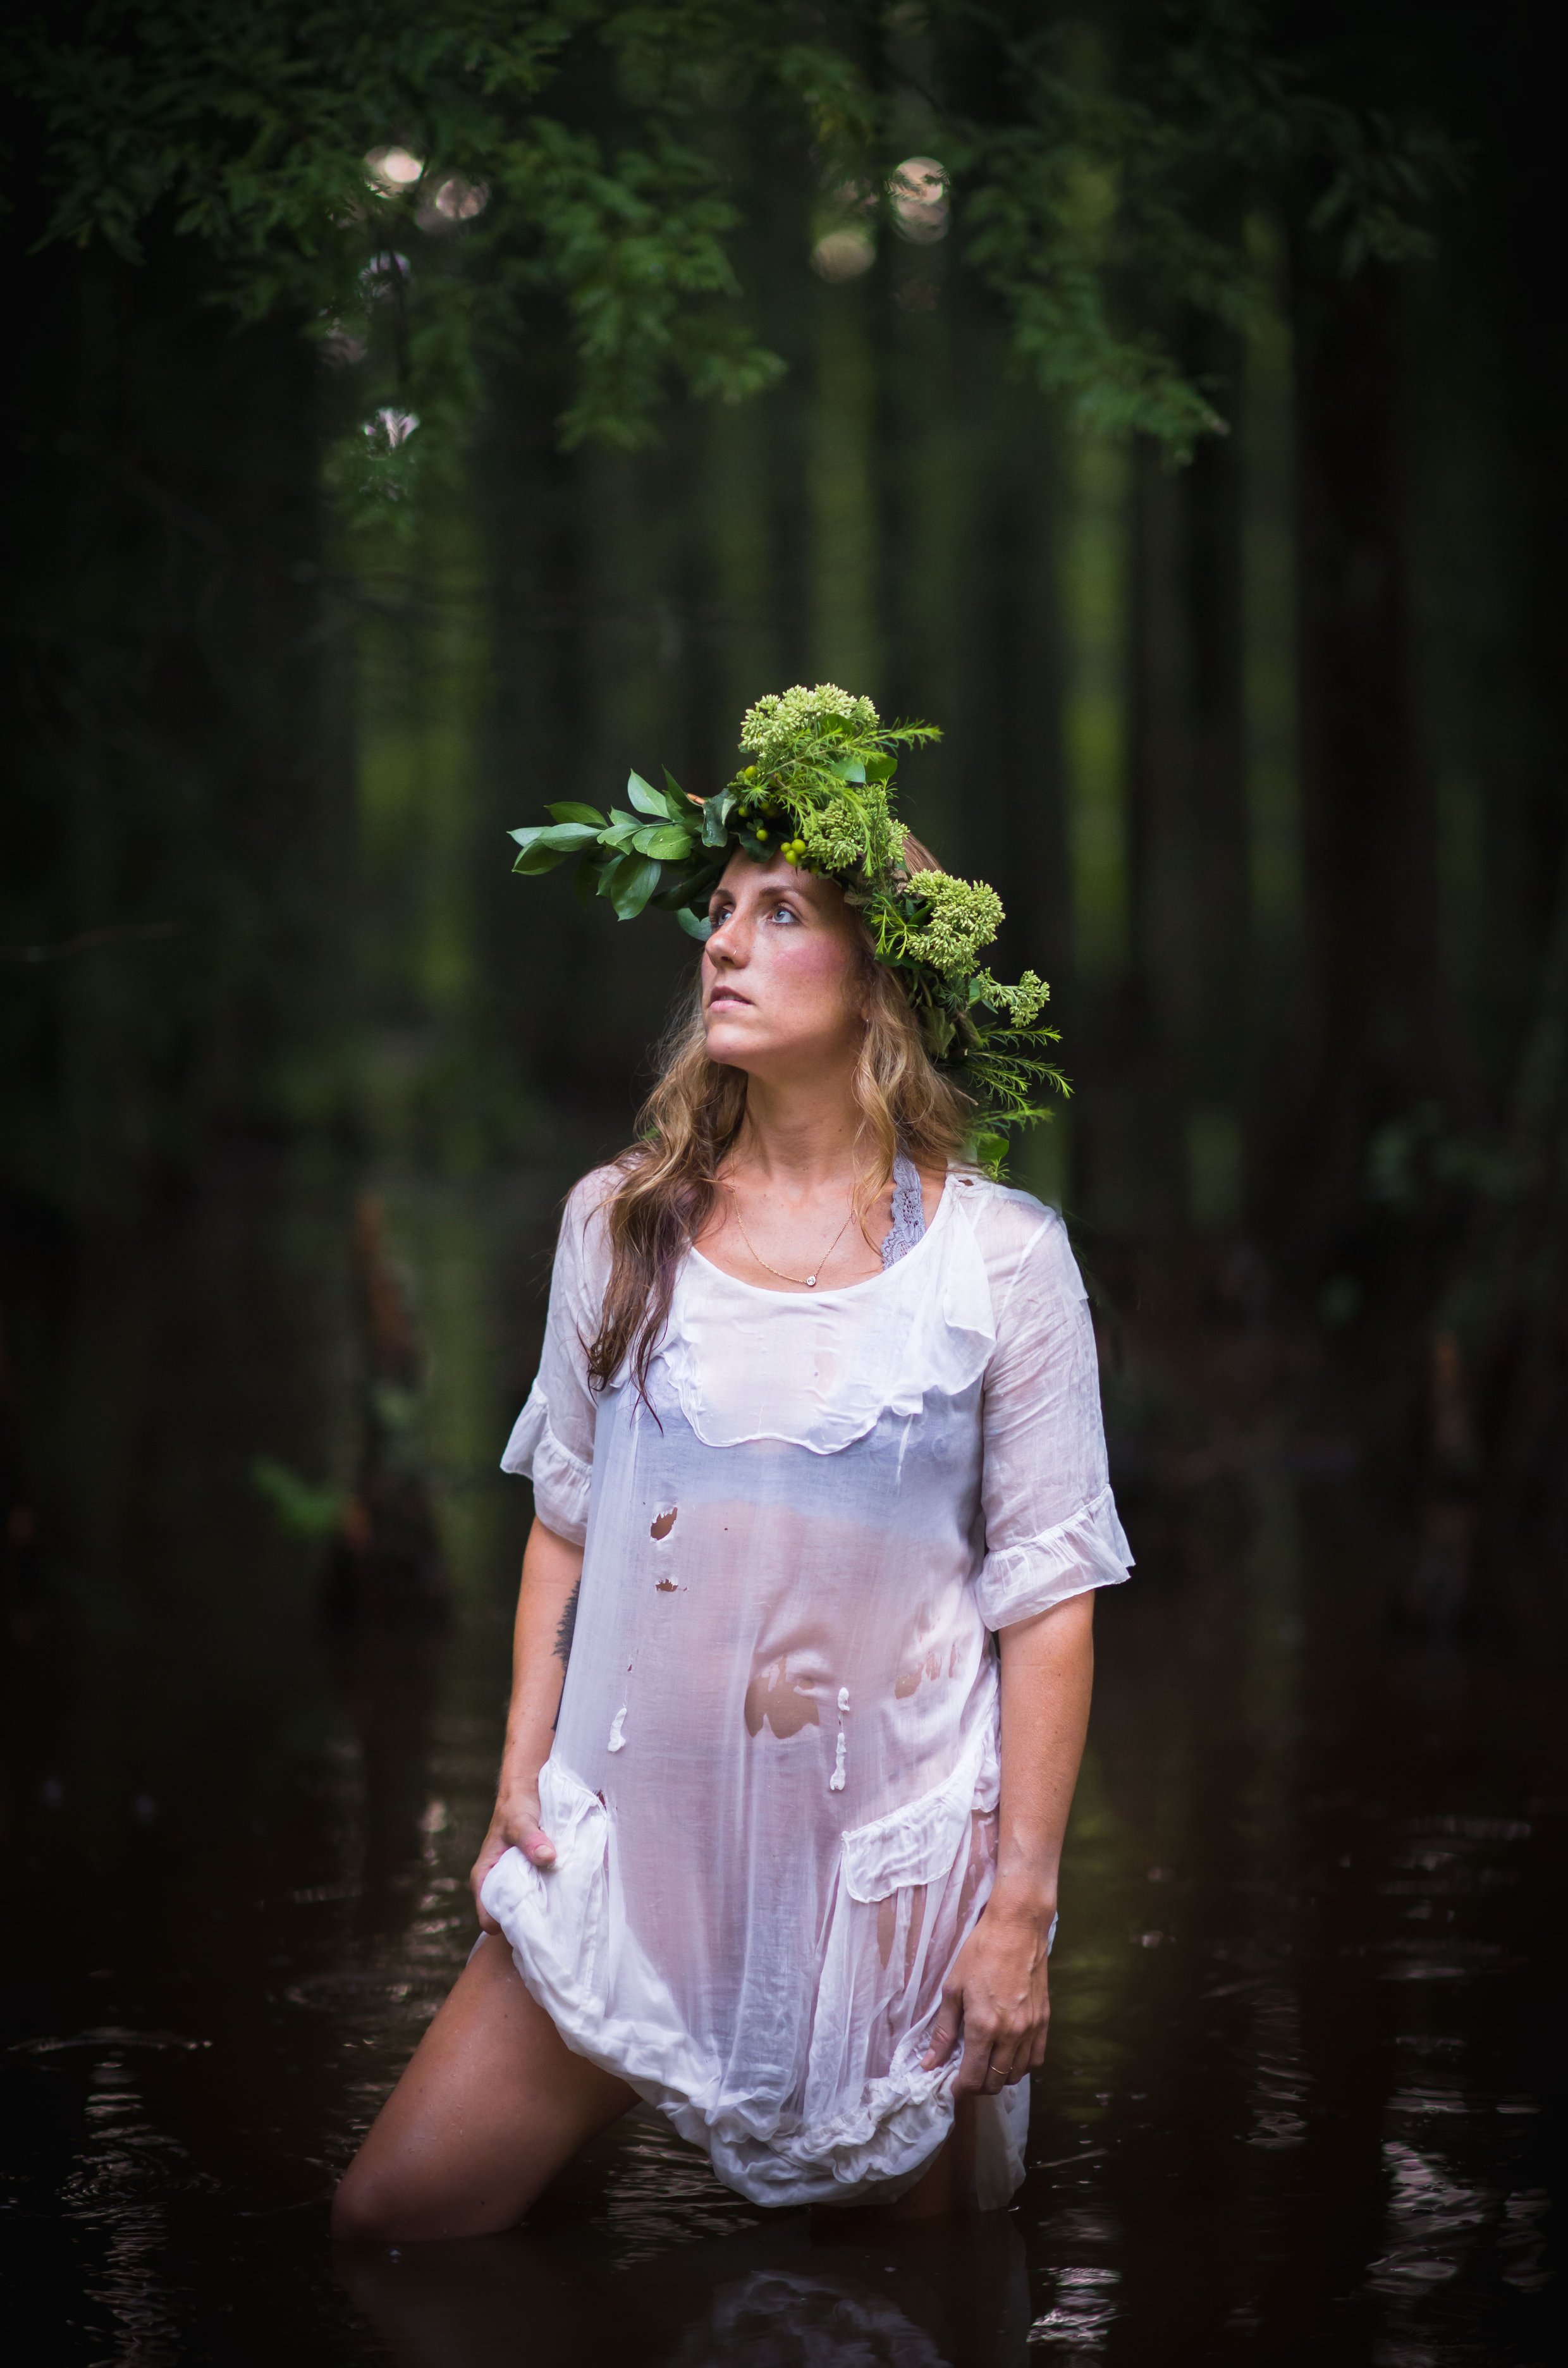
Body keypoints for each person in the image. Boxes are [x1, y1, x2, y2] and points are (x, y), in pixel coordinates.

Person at [332, 686, 1132, 2242]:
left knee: (905, 2314)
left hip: (883, 1903)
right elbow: (565, 1520)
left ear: (880, 975)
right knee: (390, 2231)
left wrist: (1017, 1912)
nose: (723, 943)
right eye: (717, 913)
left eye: (781, 915)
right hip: (624, 1860)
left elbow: (1050, 1606)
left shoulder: (1002, 1263)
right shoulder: (618, 1224)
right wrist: (517, 1759)